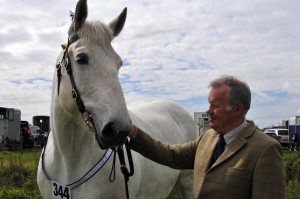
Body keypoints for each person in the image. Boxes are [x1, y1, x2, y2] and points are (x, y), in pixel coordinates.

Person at [129, 75, 286, 199]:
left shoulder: (266, 149)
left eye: (215, 106)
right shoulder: (208, 137)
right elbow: (171, 155)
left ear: (237, 109)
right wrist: (134, 134)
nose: (208, 111)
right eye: (209, 104)